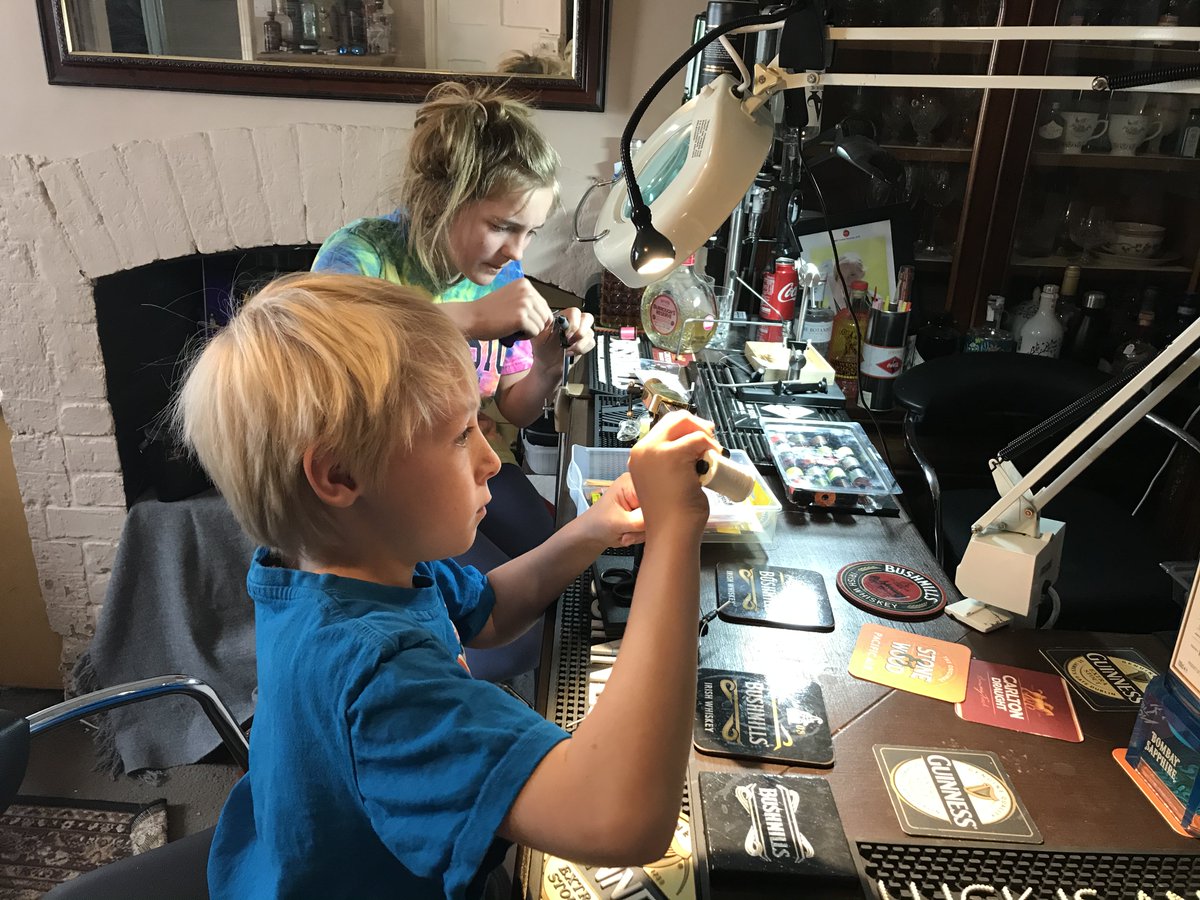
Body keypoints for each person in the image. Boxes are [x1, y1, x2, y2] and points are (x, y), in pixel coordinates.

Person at [174, 272, 716, 899]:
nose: (491, 460)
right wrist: (677, 533)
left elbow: (486, 613)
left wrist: (594, 528)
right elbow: (622, 816)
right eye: (462, 434)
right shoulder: (381, 678)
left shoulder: (345, 566)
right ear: (340, 474)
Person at [313, 82, 593, 678]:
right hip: (398, 489)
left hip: (478, 464)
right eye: (501, 225)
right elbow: (329, 354)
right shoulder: (360, 257)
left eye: (531, 232)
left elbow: (514, 410)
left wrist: (545, 363)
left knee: (572, 570)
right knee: (508, 635)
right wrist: (467, 319)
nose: (515, 250)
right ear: (441, 197)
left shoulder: (501, 275)